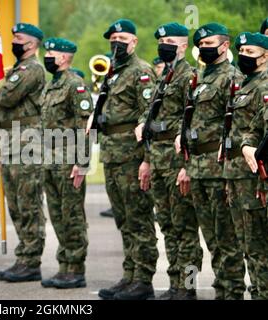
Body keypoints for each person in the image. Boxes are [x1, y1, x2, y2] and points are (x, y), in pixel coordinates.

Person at [174, 23, 246, 300]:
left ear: (225, 45)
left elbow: (238, 125)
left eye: (209, 44)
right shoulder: (201, 78)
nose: (204, 49)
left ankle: (232, 292)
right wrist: (187, 166)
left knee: (226, 238)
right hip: (198, 168)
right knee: (211, 238)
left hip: (219, 169)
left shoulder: (232, 77)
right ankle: (221, 290)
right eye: (201, 45)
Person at [88, 19, 158, 300]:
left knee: (139, 218)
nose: (116, 42)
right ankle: (129, 275)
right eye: (112, 38)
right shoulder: (114, 72)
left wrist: (146, 160)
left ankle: (143, 280)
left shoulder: (141, 72)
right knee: (123, 219)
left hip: (132, 155)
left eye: (121, 38)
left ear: (134, 42)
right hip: (113, 154)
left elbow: (149, 116)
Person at [135, 22, 203, 300]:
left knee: (185, 226)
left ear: (184, 46)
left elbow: (195, 122)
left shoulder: (190, 77)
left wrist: (188, 165)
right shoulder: (165, 77)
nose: (164, 46)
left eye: (171, 42)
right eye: (161, 42)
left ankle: (187, 287)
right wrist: (147, 160)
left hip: (178, 161)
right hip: (159, 159)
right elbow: (153, 122)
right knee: (168, 225)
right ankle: (175, 283)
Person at [0, 23, 46, 283]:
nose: (14, 41)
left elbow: (6, 97)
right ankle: (23, 256)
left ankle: (31, 260)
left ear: (32, 43)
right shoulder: (13, 70)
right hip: (10, 142)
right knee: (15, 203)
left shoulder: (32, 69)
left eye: (19, 38)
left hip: (26, 144)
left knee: (28, 203)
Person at [40, 37, 93, 289]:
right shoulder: (52, 86)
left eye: (51, 53)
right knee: (58, 215)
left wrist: (82, 162)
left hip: (69, 160)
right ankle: (64, 267)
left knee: (72, 216)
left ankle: (75, 268)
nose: (47, 56)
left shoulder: (75, 85)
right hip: (50, 160)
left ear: (63, 57)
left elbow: (86, 126)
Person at [230, 32, 268, 300]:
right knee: (250, 245)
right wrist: (245, 145)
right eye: (241, 51)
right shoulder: (246, 84)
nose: (244, 56)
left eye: (250, 52)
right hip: (243, 173)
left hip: (257, 178)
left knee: (259, 247)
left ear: (265, 56)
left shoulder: (265, 86)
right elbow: (251, 131)